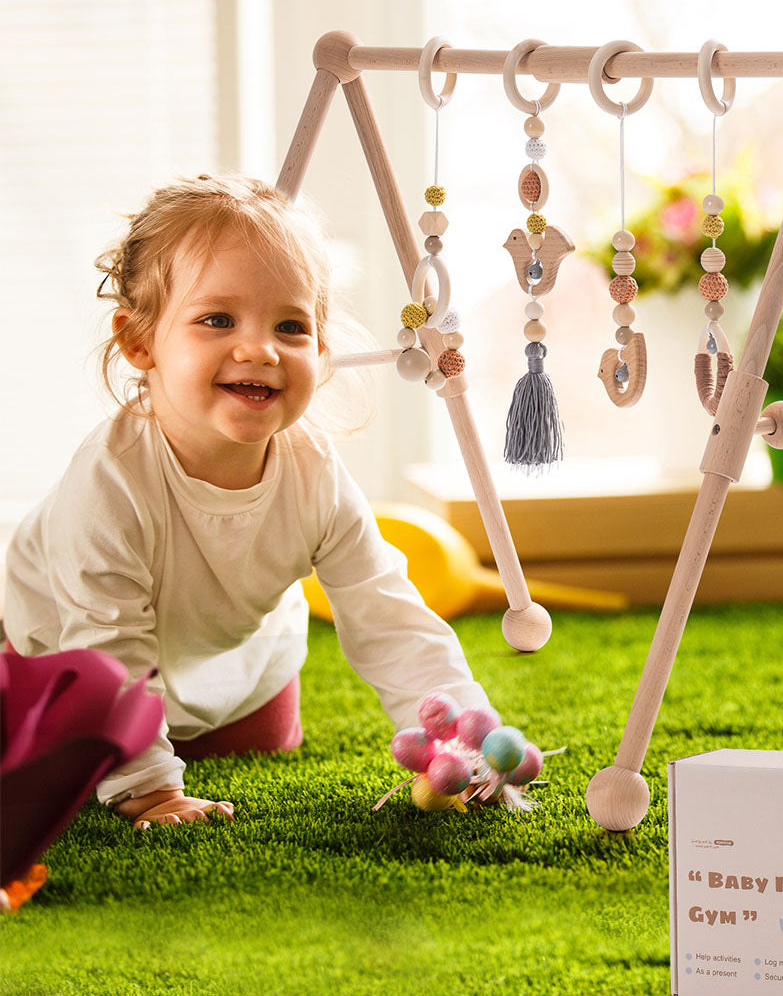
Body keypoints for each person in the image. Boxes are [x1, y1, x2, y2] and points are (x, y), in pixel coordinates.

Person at [3, 174, 488, 828]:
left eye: (290, 326)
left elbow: (387, 614)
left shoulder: (314, 470)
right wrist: (150, 791)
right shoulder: (111, 481)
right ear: (139, 342)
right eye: (217, 319)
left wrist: (457, 737)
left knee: (258, 744)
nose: (259, 348)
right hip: (61, 646)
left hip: (230, 658)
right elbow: (105, 648)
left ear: (319, 349)